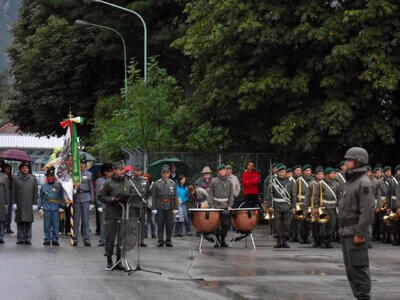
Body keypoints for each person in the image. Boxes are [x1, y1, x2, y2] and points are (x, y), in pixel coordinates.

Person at [339, 147, 372, 300]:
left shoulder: (363, 182)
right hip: (347, 231)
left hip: (355, 232)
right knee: (351, 271)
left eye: (349, 160)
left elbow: (366, 212)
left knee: (359, 269)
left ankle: (363, 297)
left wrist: (360, 233)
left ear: (358, 161)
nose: (347, 163)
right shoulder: (351, 181)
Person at [98, 161, 135, 270]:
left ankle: (119, 260)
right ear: (114, 171)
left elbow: (133, 194)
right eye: (119, 169)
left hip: (124, 213)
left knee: (121, 238)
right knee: (110, 237)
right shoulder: (108, 183)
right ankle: (109, 260)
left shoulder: (128, 182)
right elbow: (100, 196)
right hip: (112, 212)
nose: (122, 171)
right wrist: (112, 199)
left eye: (123, 169)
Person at [265, 164, 295, 248]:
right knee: (277, 225)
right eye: (280, 172)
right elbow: (269, 196)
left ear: (285, 173)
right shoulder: (273, 182)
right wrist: (270, 206)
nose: (281, 174)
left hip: (287, 206)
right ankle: (278, 241)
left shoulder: (290, 183)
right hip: (276, 206)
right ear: (277, 173)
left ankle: (284, 241)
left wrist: (293, 206)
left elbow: (293, 196)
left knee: (286, 225)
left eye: (283, 172)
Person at [209, 165, 234, 247]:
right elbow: (210, 195)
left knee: (225, 225)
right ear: (218, 172)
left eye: (224, 170)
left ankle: (223, 240)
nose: (223, 172)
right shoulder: (214, 181)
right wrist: (212, 205)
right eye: (221, 170)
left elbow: (231, 195)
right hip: (216, 205)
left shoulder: (229, 182)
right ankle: (217, 241)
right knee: (216, 225)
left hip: (225, 206)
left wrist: (230, 205)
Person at [13, 162, 38, 245]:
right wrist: (14, 202)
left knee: (28, 222)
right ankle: (20, 238)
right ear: (20, 169)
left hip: (29, 203)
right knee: (19, 221)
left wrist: (35, 203)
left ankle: (28, 238)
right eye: (23, 168)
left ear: (28, 169)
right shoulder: (16, 178)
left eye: (26, 168)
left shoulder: (33, 179)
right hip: (19, 203)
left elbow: (35, 192)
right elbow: (13, 192)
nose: (25, 169)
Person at [152, 165, 177, 247]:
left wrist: (176, 208)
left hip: (170, 206)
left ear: (169, 174)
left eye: (167, 173)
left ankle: (168, 240)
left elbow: (175, 196)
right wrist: (154, 207)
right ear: (161, 174)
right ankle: (160, 240)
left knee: (170, 224)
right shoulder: (156, 183)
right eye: (164, 173)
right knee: (160, 224)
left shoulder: (173, 183)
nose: (165, 174)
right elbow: (154, 196)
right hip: (160, 206)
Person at [38, 167, 64, 246]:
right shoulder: (44, 186)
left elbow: (61, 196)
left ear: (54, 177)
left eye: (52, 176)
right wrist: (40, 207)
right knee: (47, 225)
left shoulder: (58, 185)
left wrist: (62, 206)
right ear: (46, 177)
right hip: (46, 207)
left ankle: (55, 239)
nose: (50, 178)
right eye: (48, 176)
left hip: (56, 207)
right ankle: (47, 238)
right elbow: (41, 197)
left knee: (56, 224)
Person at [72, 157, 94, 247]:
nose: (82, 165)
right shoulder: (74, 174)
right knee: (76, 220)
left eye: (83, 163)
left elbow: (91, 187)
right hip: (76, 197)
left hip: (86, 197)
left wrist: (92, 201)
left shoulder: (89, 174)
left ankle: (86, 239)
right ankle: (75, 238)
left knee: (85, 220)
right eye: (80, 163)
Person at [129, 164, 150, 247]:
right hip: (133, 205)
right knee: (133, 224)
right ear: (134, 171)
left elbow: (148, 193)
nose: (138, 172)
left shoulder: (145, 180)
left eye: (139, 170)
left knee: (142, 223)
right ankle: (133, 240)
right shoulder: (130, 180)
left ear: (141, 171)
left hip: (142, 205)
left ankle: (141, 240)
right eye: (136, 170)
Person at [318, 167, 340, 248]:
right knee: (323, 225)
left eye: (334, 173)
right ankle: (323, 241)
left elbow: (338, 196)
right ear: (327, 175)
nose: (334, 175)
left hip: (333, 208)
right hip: (324, 207)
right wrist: (317, 208)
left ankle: (329, 241)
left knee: (332, 224)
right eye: (332, 173)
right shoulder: (321, 184)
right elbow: (317, 196)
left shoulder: (336, 184)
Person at [96, 163, 113, 247]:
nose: (111, 173)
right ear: (105, 172)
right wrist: (99, 205)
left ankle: (110, 239)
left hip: (112, 204)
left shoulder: (113, 180)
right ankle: (102, 240)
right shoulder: (100, 181)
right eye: (109, 171)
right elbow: (99, 194)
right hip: (103, 204)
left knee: (111, 224)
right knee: (103, 223)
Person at [143, 173, 156, 239]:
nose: (145, 180)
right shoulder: (143, 184)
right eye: (144, 178)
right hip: (145, 204)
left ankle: (153, 233)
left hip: (152, 204)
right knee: (145, 220)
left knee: (152, 220)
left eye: (146, 178)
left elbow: (155, 194)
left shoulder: (154, 184)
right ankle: (145, 233)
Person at [0, 166, 10, 244]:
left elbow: (7, 190)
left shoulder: (4, 177)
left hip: (1, 201)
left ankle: (1, 236)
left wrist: (6, 203)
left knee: (1, 220)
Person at [3, 164, 13, 234]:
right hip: (3, 198)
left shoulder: (11, 177)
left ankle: (8, 227)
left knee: (9, 214)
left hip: (10, 197)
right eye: (6, 169)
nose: (8, 170)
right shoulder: (2, 176)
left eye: (9, 169)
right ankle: (2, 227)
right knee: (3, 214)